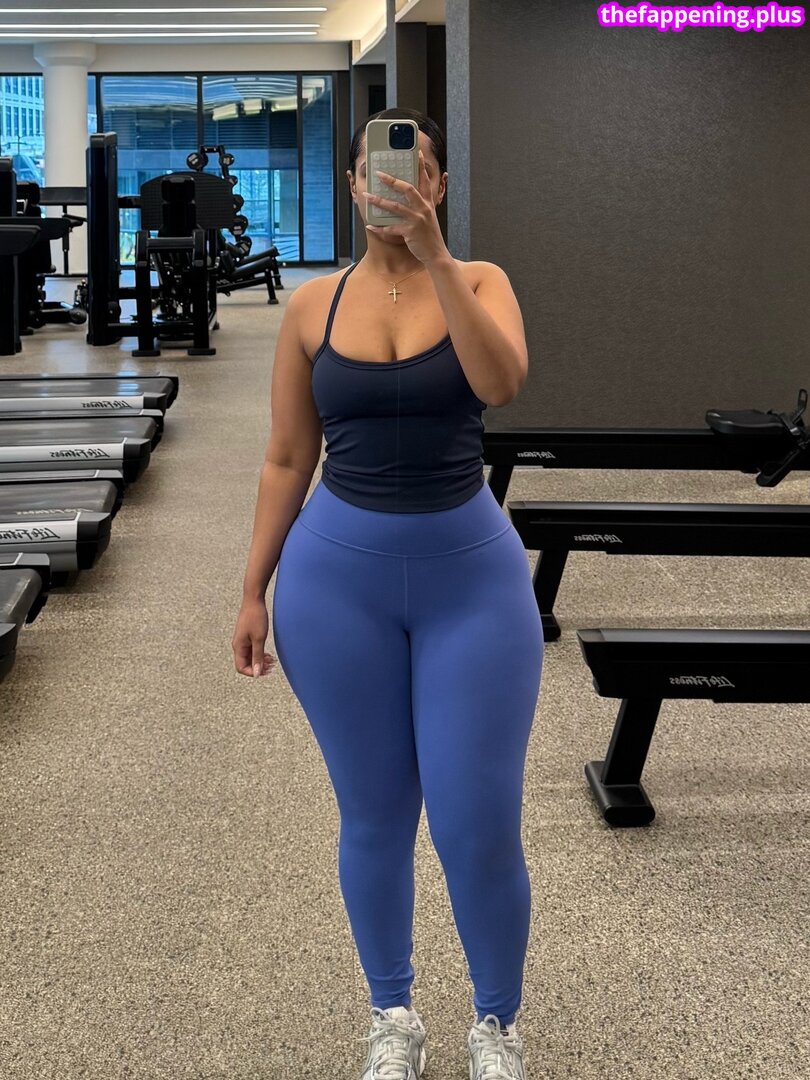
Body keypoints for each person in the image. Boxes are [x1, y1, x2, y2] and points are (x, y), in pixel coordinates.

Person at [232, 107, 544, 1080]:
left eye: (409, 169)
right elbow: (288, 457)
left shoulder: (482, 282)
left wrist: (436, 255)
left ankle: (496, 1024)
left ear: (437, 184)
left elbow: (500, 384)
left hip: (472, 583)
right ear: (353, 184)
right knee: (373, 814)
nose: (389, 184)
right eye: (372, 170)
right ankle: (393, 1015)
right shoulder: (310, 307)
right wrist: (251, 589)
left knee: (475, 822)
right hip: (336, 586)